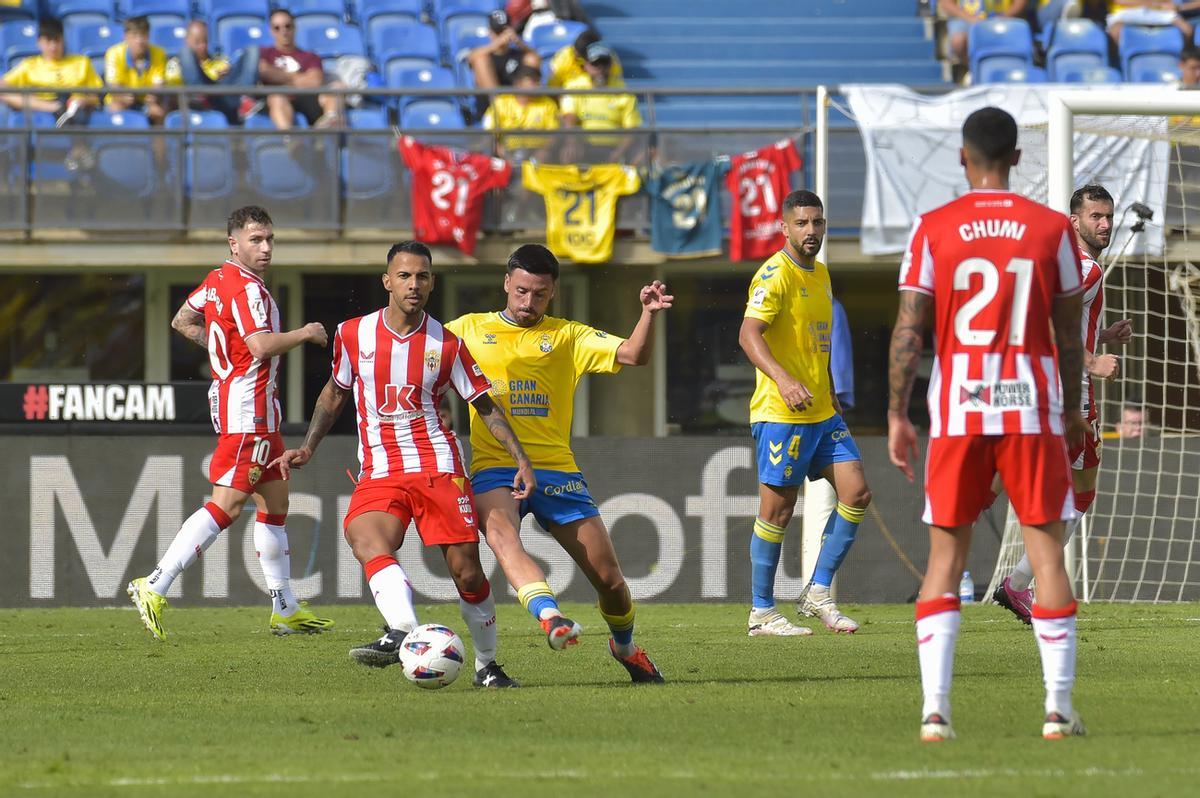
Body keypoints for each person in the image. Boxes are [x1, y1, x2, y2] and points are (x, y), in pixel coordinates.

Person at [887, 106, 1089, 742]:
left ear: (962, 156)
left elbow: (909, 328)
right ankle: (1058, 709)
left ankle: (935, 712)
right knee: (1047, 554)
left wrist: (896, 413)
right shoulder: (1052, 228)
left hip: (959, 409)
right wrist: (1075, 412)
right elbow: (1068, 337)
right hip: (1030, 409)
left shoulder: (933, 229)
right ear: (1019, 159)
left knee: (946, 559)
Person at [272, 241, 535, 689]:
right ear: (387, 281)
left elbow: (485, 406)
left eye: (424, 277)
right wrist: (309, 447)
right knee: (364, 535)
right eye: (406, 276)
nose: (415, 285)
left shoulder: (447, 344)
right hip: (381, 470)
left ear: (432, 282)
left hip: (437, 466)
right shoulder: (354, 334)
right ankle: (402, 630)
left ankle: (487, 666)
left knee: (467, 572)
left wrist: (522, 460)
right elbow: (335, 394)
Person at [444, 243, 668, 684]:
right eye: (522, 291)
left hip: (557, 471)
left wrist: (649, 314)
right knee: (502, 537)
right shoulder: (465, 330)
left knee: (610, 580)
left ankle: (625, 648)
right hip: (495, 466)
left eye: (539, 295)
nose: (528, 303)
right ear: (506, 283)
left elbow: (633, 356)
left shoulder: (568, 336)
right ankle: (552, 619)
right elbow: (414, 364)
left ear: (553, 294)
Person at [127, 206, 335, 640]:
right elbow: (260, 346)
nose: (266, 248)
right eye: (256, 239)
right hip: (249, 413)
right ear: (233, 243)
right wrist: (305, 333)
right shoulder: (250, 291)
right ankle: (155, 583)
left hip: (252, 409)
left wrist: (222, 352)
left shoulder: (217, 281)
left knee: (275, 508)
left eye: (270, 239)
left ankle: (284, 607)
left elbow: (182, 320)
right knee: (227, 505)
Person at [993, 183, 1134, 624]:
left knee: (1068, 494)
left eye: (1109, 216)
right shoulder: (1085, 268)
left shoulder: (1062, 262)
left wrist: (1099, 334)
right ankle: (1018, 586)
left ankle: (1014, 583)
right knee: (1075, 497)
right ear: (1074, 220)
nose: (1105, 224)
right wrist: (1092, 360)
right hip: (1068, 396)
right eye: (1096, 216)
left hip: (1040, 390)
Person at [738, 191, 871, 637]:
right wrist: (783, 379)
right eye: (801, 223)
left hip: (821, 413)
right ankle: (761, 613)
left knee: (857, 493)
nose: (810, 231)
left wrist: (830, 394)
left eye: (817, 223)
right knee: (777, 512)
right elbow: (748, 335)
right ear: (785, 227)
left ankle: (817, 592)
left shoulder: (823, 276)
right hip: (782, 413)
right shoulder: (774, 275)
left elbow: (818, 345)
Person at [0, 17, 101, 124]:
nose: (53, 47)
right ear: (39, 42)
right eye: (48, 41)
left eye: (57, 40)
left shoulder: (82, 62)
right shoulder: (29, 65)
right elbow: (2, 86)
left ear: (63, 41)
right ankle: (52, 109)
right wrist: (45, 104)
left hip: (76, 110)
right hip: (41, 107)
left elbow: (96, 95)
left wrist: (83, 101)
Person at [166, 20, 263, 124]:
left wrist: (226, 76)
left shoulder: (219, 60)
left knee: (253, 50)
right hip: (201, 100)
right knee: (185, 53)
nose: (203, 46)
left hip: (229, 98)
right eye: (197, 42)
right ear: (187, 40)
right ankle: (201, 97)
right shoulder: (174, 65)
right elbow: (173, 93)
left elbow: (231, 81)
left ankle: (245, 101)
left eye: (205, 41)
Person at [259, 9, 341, 130]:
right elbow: (264, 72)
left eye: (288, 26)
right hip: (279, 100)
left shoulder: (310, 56)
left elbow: (314, 82)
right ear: (271, 31)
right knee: (276, 97)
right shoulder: (264, 53)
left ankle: (328, 127)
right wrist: (297, 77)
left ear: (294, 27)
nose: (284, 31)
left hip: (307, 99)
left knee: (336, 87)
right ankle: (291, 141)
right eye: (277, 28)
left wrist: (280, 78)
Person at [560, 42, 641, 163]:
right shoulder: (574, 85)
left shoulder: (623, 90)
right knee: (566, 151)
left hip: (613, 148)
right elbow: (569, 116)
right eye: (595, 64)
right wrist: (572, 142)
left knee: (643, 151)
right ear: (586, 66)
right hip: (582, 145)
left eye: (605, 63)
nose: (601, 68)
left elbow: (631, 128)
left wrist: (618, 154)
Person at [468, 9, 541, 119]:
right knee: (480, 60)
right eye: (497, 32)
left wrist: (518, 42)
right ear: (490, 32)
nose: (502, 36)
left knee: (530, 58)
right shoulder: (484, 55)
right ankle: (500, 111)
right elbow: (471, 57)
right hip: (494, 112)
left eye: (504, 31)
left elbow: (536, 58)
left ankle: (528, 114)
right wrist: (496, 45)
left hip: (519, 109)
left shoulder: (520, 54)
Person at [482, 64, 559, 158]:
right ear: (518, 84)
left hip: (537, 152)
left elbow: (554, 134)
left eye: (538, 81)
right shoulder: (501, 103)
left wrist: (544, 152)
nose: (538, 85)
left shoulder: (548, 104)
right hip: (507, 151)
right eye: (533, 81)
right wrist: (500, 152)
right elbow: (489, 133)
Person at [103, 16, 169, 124]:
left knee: (159, 112)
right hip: (120, 100)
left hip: (145, 101)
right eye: (134, 36)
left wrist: (153, 96)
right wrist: (123, 97)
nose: (139, 41)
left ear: (148, 36)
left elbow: (158, 84)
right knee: (115, 109)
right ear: (126, 37)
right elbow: (113, 85)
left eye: (143, 35)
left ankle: (159, 141)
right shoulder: (114, 53)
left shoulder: (159, 53)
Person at [939, 0, 1028, 67]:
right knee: (958, 41)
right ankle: (975, 70)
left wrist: (1003, 17)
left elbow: (1020, 3)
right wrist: (970, 18)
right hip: (965, 19)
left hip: (1002, 19)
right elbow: (945, 4)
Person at [547, 28, 624, 89]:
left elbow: (614, 85)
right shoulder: (563, 59)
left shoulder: (607, 59)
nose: (575, 56)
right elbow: (554, 89)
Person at [1106, 1, 1193, 47]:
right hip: (1124, 11)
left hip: (1156, 10)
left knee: (1186, 29)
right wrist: (1152, 2)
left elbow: (1167, 2)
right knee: (1116, 30)